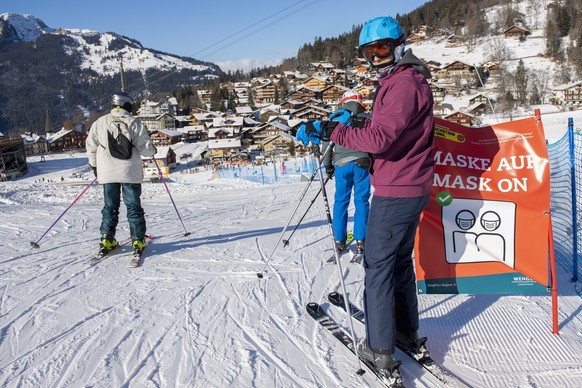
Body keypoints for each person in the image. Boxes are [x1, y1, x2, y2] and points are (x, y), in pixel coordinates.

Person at [295, 16, 435, 383]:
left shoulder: (403, 83)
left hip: (397, 191)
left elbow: (380, 139)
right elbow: (392, 137)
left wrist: (331, 129)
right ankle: (404, 332)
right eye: (368, 50)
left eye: (382, 47)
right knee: (399, 262)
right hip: (411, 186)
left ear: (399, 44)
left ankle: (380, 350)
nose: (375, 55)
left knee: (377, 267)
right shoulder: (406, 80)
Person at [86, 91, 157, 255]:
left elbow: (91, 146)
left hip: (107, 172)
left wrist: (95, 166)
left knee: (110, 206)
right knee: (133, 207)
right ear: (126, 104)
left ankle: (107, 238)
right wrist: (153, 150)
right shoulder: (134, 122)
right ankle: (138, 240)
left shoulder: (100, 122)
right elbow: (146, 149)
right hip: (129, 172)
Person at [322, 91, 371, 256]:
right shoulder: (367, 117)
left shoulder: (335, 117)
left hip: (341, 163)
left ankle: (339, 239)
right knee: (361, 200)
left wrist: (328, 166)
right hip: (362, 161)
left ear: (343, 102)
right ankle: (361, 239)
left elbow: (327, 145)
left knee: (341, 201)